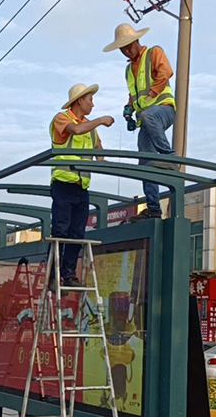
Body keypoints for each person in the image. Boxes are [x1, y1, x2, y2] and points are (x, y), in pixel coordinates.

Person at [104, 23, 177, 221]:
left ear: (137, 41)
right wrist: (129, 108)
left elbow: (166, 72)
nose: (127, 50)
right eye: (123, 48)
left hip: (164, 110)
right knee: (145, 161)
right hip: (147, 119)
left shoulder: (154, 52)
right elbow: (135, 94)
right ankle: (153, 208)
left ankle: (169, 157)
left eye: (129, 45)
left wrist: (149, 97)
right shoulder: (129, 70)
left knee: (147, 116)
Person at [50, 83, 114, 286]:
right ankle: (53, 275)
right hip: (63, 183)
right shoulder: (62, 118)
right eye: (90, 100)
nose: (92, 104)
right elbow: (75, 130)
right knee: (61, 230)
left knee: (77, 232)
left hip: (82, 187)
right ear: (80, 100)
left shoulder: (91, 129)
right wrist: (100, 121)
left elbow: (100, 154)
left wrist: (105, 157)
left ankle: (68, 274)